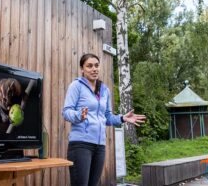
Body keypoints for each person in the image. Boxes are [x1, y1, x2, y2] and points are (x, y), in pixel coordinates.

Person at [62, 53, 146, 186]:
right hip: (80, 145)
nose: (94, 69)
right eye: (89, 66)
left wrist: (122, 118)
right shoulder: (76, 86)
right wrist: (79, 115)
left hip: (100, 146)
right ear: (82, 69)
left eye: (96, 65)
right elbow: (66, 112)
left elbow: (107, 117)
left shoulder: (104, 90)